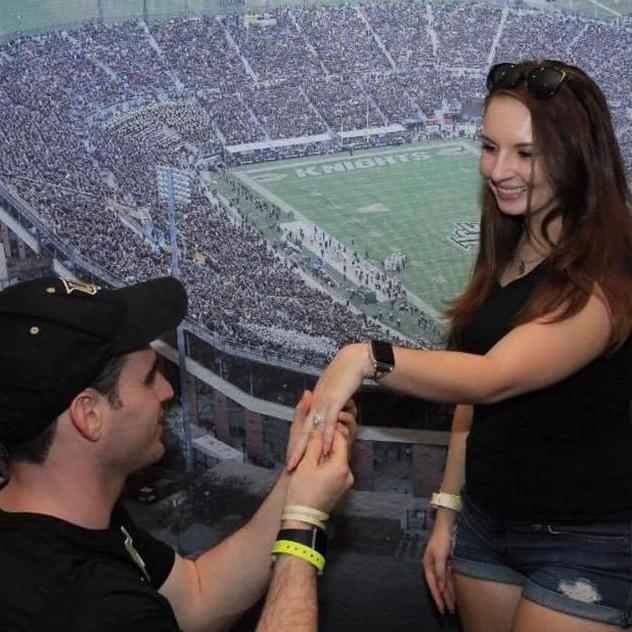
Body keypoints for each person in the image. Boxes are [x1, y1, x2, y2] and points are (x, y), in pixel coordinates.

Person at [287, 59, 632, 630]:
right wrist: (449, 510)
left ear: (578, 155)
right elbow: (474, 401)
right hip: (486, 524)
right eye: (489, 147)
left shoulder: (609, 273)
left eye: (526, 152)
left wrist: (366, 357)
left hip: (584, 538)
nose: (499, 170)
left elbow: (495, 375)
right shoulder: (512, 241)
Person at [0, 275, 356, 632]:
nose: (167, 390)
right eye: (149, 378)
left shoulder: (66, 520)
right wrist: (303, 527)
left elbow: (197, 597)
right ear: (89, 415)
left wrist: (298, 473)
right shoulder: (91, 606)